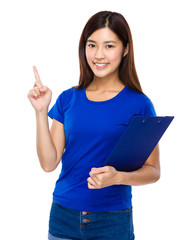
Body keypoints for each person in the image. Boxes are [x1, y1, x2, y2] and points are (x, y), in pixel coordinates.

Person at [28, 10, 160, 240]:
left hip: (112, 220)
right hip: (63, 217)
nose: (99, 55)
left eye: (109, 46)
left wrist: (117, 177)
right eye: (92, 45)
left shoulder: (139, 104)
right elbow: (48, 164)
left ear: (125, 49)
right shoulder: (69, 98)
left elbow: (153, 171)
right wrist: (41, 112)